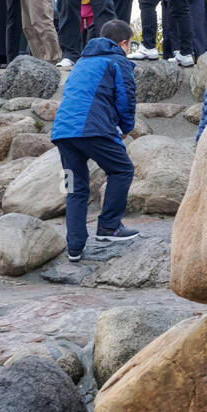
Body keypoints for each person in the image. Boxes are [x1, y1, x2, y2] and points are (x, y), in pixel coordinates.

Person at [50, 19, 140, 261]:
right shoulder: (117, 61)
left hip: (62, 132)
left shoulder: (81, 62)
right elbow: (126, 98)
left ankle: (75, 247)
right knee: (122, 170)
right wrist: (126, 128)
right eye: (129, 45)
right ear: (123, 43)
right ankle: (109, 226)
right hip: (92, 129)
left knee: (74, 188)